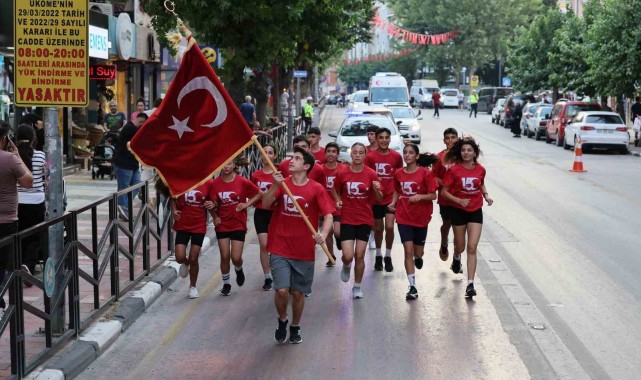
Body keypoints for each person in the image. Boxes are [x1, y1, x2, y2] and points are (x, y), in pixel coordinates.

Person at [262, 147, 334, 344]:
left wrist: (323, 233)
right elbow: (266, 204)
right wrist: (275, 187)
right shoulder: (282, 184)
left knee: (297, 293)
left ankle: (295, 325)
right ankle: (282, 320)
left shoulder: (316, 188)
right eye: (290, 158)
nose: (291, 161)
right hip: (280, 247)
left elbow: (328, 214)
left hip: (303, 250)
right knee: (282, 290)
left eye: (296, 158)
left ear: (307, 165)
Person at [442, 137, 493, 298]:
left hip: (475, 210)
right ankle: (456, 257)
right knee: (461, 246)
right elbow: (444, 191)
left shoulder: (480, 169)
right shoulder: (454, 170)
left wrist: (486, 195)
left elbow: (481, 183)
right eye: (463, 150)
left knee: (472, 247)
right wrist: (459, 200)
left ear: (474, 153)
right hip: (458, 210)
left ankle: (470, 284)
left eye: (469, 150)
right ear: (460, 152)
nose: (466, 153)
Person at [388, 145, 438, 300]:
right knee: (407, 250)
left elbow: (433, 195)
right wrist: (393, 203)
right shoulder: (398, 173)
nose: (407, 155)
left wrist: (420, 197)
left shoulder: (425, 173)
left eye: (411, 153)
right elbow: (397, 190)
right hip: (403, 216)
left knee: (418, 252)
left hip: (421, 217)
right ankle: (412, 287)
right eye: (405, 153)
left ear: (417, 156)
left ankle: (419, 257)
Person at [333, 143, 382, 299]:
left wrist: (376, 190)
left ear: (365, 154)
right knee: (348, 255)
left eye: (361, 152)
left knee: (359, 255)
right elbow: (334, 189)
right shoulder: (342, 173)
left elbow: (379, 199)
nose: (357, 155)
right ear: (351, 154)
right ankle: (346, 265)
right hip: (347, 217)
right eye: (354, 152)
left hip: (364, 219)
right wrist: (338, 200)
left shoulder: (371, 174)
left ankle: (357, 287)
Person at [209, 157, 262, 296]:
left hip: (238, 223)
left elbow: (259, 193)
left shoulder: (241, 181)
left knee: (235, 257)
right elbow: (212, 202)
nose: (226, 166)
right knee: (224, 255)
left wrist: (246, 204)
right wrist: (214, 216)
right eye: (223, 164)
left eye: (229, 163)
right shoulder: (215, 183)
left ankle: (238, 268)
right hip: (222, 224)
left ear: (234, 165)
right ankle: (226, 284)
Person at [0, 121, 33, 310]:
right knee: (4, 264)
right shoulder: (10, 159)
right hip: (7, 221)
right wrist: (18, 156)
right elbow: (28, 182)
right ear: (5, 139)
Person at [365, 128, 403, 272]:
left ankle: (388, 255)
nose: (384, 140)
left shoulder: (396, 157)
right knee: (378, 228)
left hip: (391, 198)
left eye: (387, 137)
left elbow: (400, 178)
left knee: (390, 227)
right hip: (375, 200)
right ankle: (379, 255)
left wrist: (397, 197)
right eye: (381, 137)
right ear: (376, 139)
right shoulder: (370, 157)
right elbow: (366, 176)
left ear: (390, 139)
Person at [170, 178, 213, 299]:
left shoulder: (209, 182)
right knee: (179, 258)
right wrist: (174, 210)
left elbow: (213, 200)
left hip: (199, 225)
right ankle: (186, 261)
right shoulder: (182, 180)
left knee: (194, 258)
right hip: (183, 223)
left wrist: (213, 207)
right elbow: (172, 196)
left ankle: (192, 287)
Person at [16, 124, 46, 278]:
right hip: (37, 202)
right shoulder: (40, 156)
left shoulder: (12, 156)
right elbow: (45, 177)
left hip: (17, 202)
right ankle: (29, 267)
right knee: (35, 237)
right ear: (34, 138)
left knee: (18, 235)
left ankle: (17, 266)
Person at [250, 144, 278, 290]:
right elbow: (253, 193)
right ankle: (267, 277)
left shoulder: (278, 174)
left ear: (275, 156)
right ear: (261, 156)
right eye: (264, 152)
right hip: (261, 212)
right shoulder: (256, 175)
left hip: (275, 213)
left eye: (270, 152)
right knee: (263, 244)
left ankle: (278, 272)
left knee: (275, 246)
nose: (267, 155)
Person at [113, 112, 149, 221]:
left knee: (137, 185)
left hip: (132, 164)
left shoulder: (133, 128)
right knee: (123, 188)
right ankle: (124, 210)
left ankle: (123, 206)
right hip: (124, 163)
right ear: (141, 122)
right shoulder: (131, 129)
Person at [431, 128, 459, 262]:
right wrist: (444, 183)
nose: (450, 140)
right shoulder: (438, 157)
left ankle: (457, 257)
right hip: (445, 198)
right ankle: (444, 242)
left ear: (457, 139)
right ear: (444, 140)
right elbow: (433, 177)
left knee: (458, 227)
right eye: (447, 138)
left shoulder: (463, 155)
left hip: (460, 198)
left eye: (453, 137)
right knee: (447, 224)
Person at [322, 142, 346, 267]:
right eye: (328, 151)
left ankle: (339, 239)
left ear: (337, 154)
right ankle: (331, 256)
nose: (331, 154)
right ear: (325, 153)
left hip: (338, 203)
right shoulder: (320, 169)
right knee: (328, 231)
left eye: (333, 151)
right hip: (325, 204)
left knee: (337, 232)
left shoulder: (343, 168)